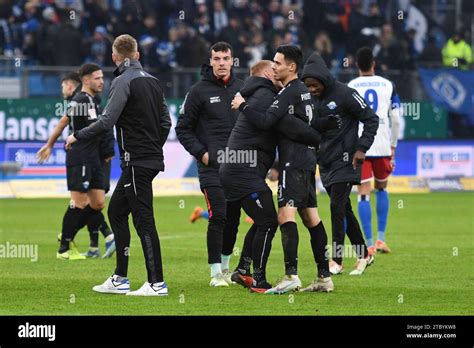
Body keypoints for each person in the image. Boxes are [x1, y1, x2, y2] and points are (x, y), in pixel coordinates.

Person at [66, 34, 172, 296]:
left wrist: (77, 135)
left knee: (144, 220)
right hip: (146, 159)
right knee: (116, 212)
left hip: (136, 160)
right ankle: (120, 278)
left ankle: (156, 283)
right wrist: (153, 148)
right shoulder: (154, 81)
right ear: (137, 55)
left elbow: (106, 121)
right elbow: (167, 122)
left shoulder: (122, 81)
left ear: (115, 57)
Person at [232, 46, 339, 293]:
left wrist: (243, 105)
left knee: (284, 217)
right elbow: (304, 125)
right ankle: (324, 277)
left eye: (278, 63)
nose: (274, 67)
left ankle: (291, 274)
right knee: (311, 217)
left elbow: (267, 121)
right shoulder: (303, 92)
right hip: (306, 161)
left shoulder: (289, 93)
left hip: (293, 162)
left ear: (291, 67)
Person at [301, 52, 378, 276]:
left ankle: (336, 260)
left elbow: (371, 118)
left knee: (336, 207)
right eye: (308, 86)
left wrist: (362, 148)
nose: (312, 89)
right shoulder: (310, 98)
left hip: (347, 160)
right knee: (344, 208)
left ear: (323, 79)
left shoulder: (346, 94)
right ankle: (364, 254)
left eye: (314, 85)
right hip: (324, 162)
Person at [175, 42, 244, 287]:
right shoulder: (197, 91)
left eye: (226, 58)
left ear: (232, 60)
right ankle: (215, 272)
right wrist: (202, 154)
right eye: (217, 59)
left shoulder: (242, 88)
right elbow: (182, 129)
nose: (222, 63)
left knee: (233, 219)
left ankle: (226, 269)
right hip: (211, 166)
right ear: (211, 61)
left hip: (239, 165)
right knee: (218, 215)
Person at [37, 65, 113, 261]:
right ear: (86, 81)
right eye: (97, 78)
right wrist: (49, 145)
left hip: (93, 157)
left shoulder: (92, 101)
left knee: (97, 203)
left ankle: (69, 233)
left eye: (102, 77)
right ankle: (64, 248)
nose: (101, 81)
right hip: (80, 157)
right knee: (78, 203)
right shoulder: (80, 99)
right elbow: (64, 121)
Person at [348, 47, 401, 255]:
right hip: (382, 144)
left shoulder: (351, 86)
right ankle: (381, 239)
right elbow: (396, 119)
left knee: (363, 194)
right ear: (374, 64)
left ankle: (368, 244)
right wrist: (394, 145)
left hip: (361, 146)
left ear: (356, 65)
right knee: (382, 188)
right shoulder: (388, 85)